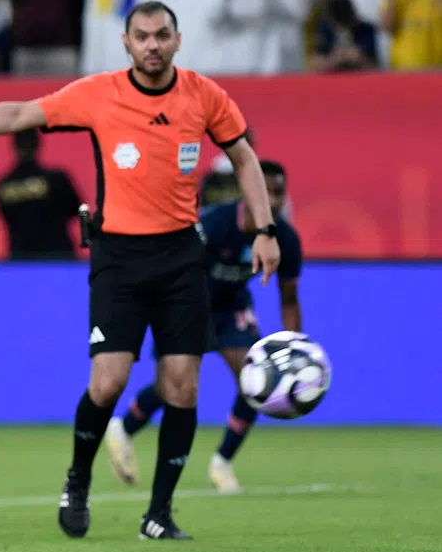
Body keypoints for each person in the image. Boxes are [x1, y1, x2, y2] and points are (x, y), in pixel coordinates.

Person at [0, 0, 280, 541]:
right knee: (109, 381)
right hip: (119, 259)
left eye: (162, 35)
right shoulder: (99, 94)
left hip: (181, 259)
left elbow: (243, 157)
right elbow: (21, 113)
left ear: (177, 39)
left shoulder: (204, 94)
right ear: (125, 42)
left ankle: (159, 514)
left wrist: (264, 230)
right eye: (142, 35)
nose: (152, 45)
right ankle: (78, 476)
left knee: (183, 388)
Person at [106, 160, 303, 494]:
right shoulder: (213, 224)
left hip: (230, 306)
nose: (272, 201)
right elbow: (173, 269)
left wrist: (293, 344)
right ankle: (122, 429)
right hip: (184, 303)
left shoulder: (286, 239)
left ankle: (222, 463)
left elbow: (288, 299)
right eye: (265, 191)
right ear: (248, 192)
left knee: (256, 381)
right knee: (172, 389)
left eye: (279, 193)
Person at [0, 128, 83, 260]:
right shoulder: (56, 179)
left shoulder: (4, 185)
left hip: (21, 259)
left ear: (14, 146)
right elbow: (75, 210)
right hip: (58, 257)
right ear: (37, 144)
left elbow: (6, 217)